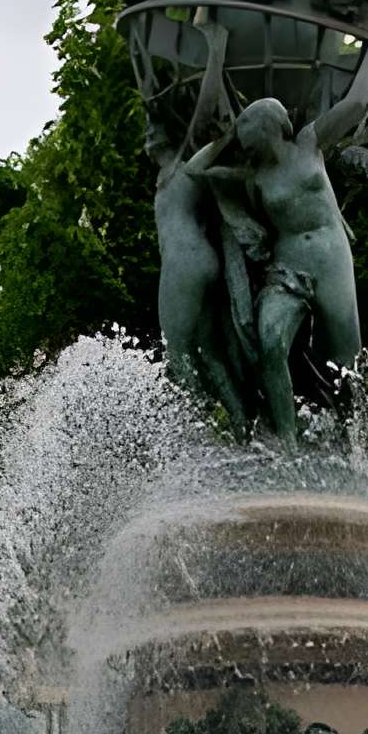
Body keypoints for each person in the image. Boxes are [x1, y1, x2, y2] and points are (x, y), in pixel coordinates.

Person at [190, 39, 368, 441]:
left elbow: (357, 103)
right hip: (288, 266)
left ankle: (350, 444)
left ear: (271, 126)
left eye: (250, 129)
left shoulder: (309, 143)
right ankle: (289, 446)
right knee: (271, 340)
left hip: (330, 262)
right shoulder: (254, 177)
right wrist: (223, 141)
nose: (247, 137)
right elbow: (194, 171)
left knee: (346, 364)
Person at [146, 22, 250, 431]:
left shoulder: (185, 166)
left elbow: (210, 114)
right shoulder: (174, 171)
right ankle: (241, 423)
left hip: (184, 264)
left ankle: (196, 434)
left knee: (179, 352)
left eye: (153, 129)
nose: (147, 136)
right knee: (209, 351)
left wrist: (216, 53)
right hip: (200, 261)